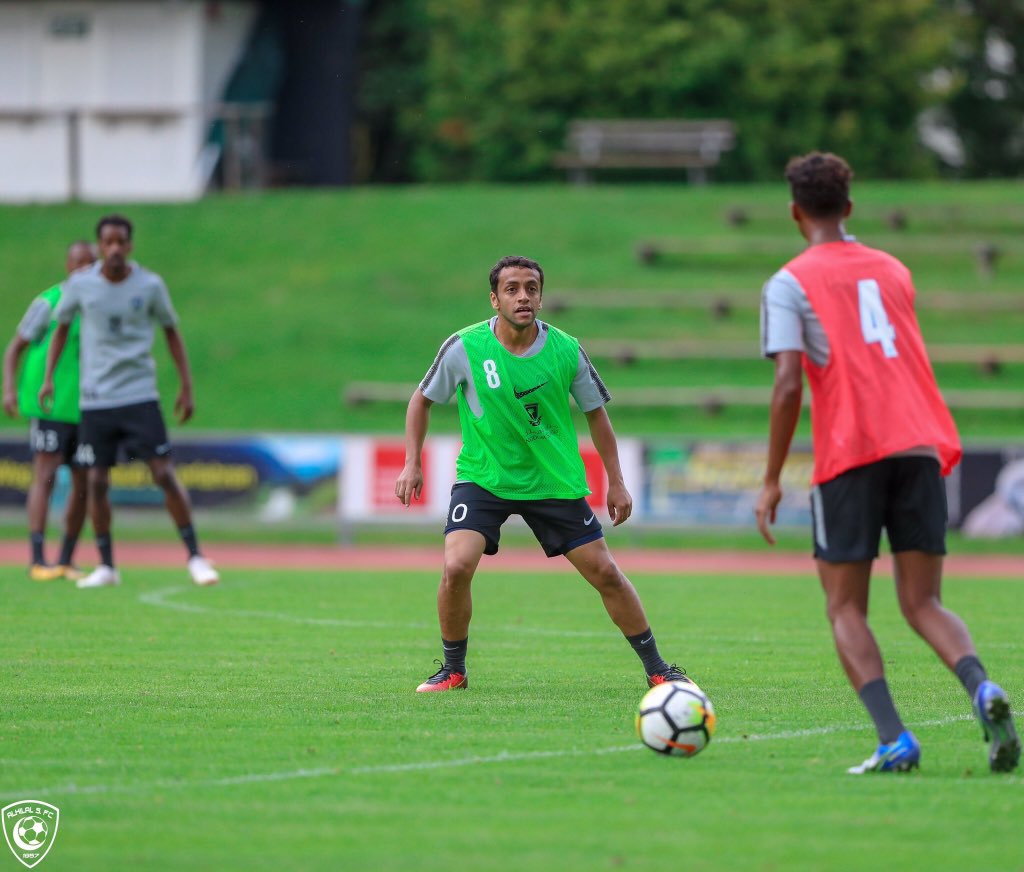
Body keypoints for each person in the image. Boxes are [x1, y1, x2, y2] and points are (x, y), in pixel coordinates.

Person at [755, 152, 1019, 774]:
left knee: (846, 606)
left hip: (852, 451)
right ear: (849, 209)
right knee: (924, 602)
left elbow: (788, 383)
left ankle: (894, 739)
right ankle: (981, 686)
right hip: (921, 444)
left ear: (796, 213)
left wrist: (770, 478)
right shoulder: (894, 270)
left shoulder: (788, 283)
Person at [395, 255, 692, 693]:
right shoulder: (465, 347)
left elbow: (597, 416)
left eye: (531, 288)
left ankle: (658, 669)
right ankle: (453, 670)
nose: (523, 297)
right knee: (456, 567)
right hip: (485, 477)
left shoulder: (566, 349)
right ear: (494, 299)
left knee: (606, 573)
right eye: (512, 289)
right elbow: (421, 400)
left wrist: (617, 480)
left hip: (552, 482)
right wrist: (411, 461)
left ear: (541, 296)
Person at [39, 214, 219, 589]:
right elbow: (61, 329)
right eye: (109, 243)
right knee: (96, 481)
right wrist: (48, 378)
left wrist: (186, 387)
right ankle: (107, 565)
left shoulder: (150, 285)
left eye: (122, 242)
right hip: (96, 399)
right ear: (100, 246)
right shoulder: (81, 285)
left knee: (163, 473)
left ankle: (196, 557)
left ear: (130, 246)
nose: (116, 249)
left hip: (139, 395)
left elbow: (172, 332)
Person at [2, 242, 95, 581]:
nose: (84, 269)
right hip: (50, 403)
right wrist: (9, 389)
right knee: (46, 474)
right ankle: (38, 558)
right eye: (78, 262)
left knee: (84, 481)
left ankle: (67, 559)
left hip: (87, 406)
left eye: (91, 263)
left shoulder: (100, 305)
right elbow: (16, 348)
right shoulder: (49, 302)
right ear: (67, 266)